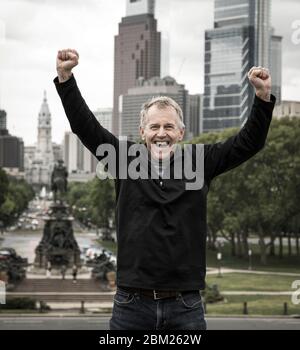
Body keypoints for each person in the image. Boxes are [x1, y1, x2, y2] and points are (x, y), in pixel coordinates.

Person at [54, 49, 275, 330]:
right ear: (143, 132)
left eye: (169, 126)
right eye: (154, 126)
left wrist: (263, 97)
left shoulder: (201, 161)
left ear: (180, 133)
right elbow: (85, 126)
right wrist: (66, 78)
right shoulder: (123, 159)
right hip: (130, 305)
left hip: (185, 306)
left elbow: (249, 142)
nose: (161, 133)